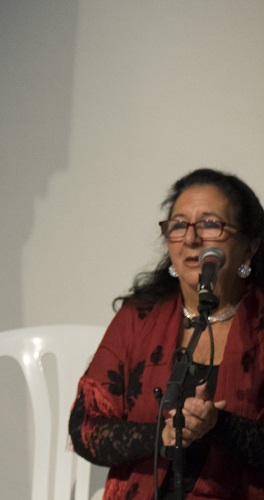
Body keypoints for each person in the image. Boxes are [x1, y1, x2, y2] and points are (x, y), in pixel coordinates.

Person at [70, 168, 264, 498]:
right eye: (178, 225)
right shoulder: (138, 318)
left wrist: (220, 425)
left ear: (248, 247)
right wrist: (165, 434)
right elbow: (86, 429)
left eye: (210, 224)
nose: (191, 238)